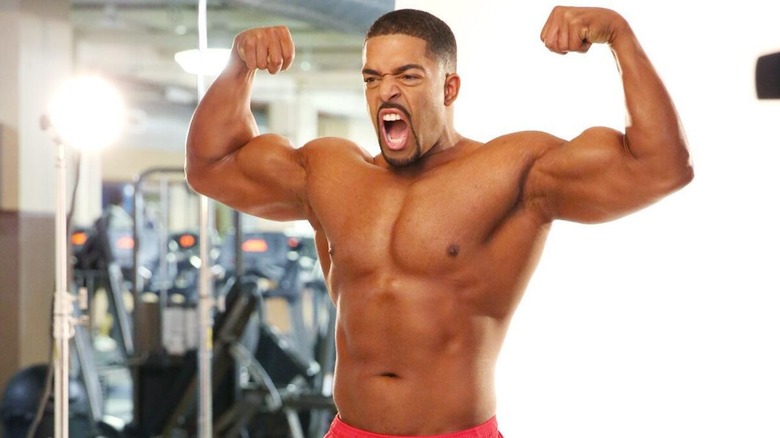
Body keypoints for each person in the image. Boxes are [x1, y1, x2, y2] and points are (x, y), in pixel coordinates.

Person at [185, 5, 693, 437]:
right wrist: (238, 66)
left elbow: (660, 167)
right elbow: (212, 166)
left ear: (449, 88)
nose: (386, 91)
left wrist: (620, 36)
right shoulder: (330, 172)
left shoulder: (511, 169)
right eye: (373, 78)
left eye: (408, 75)